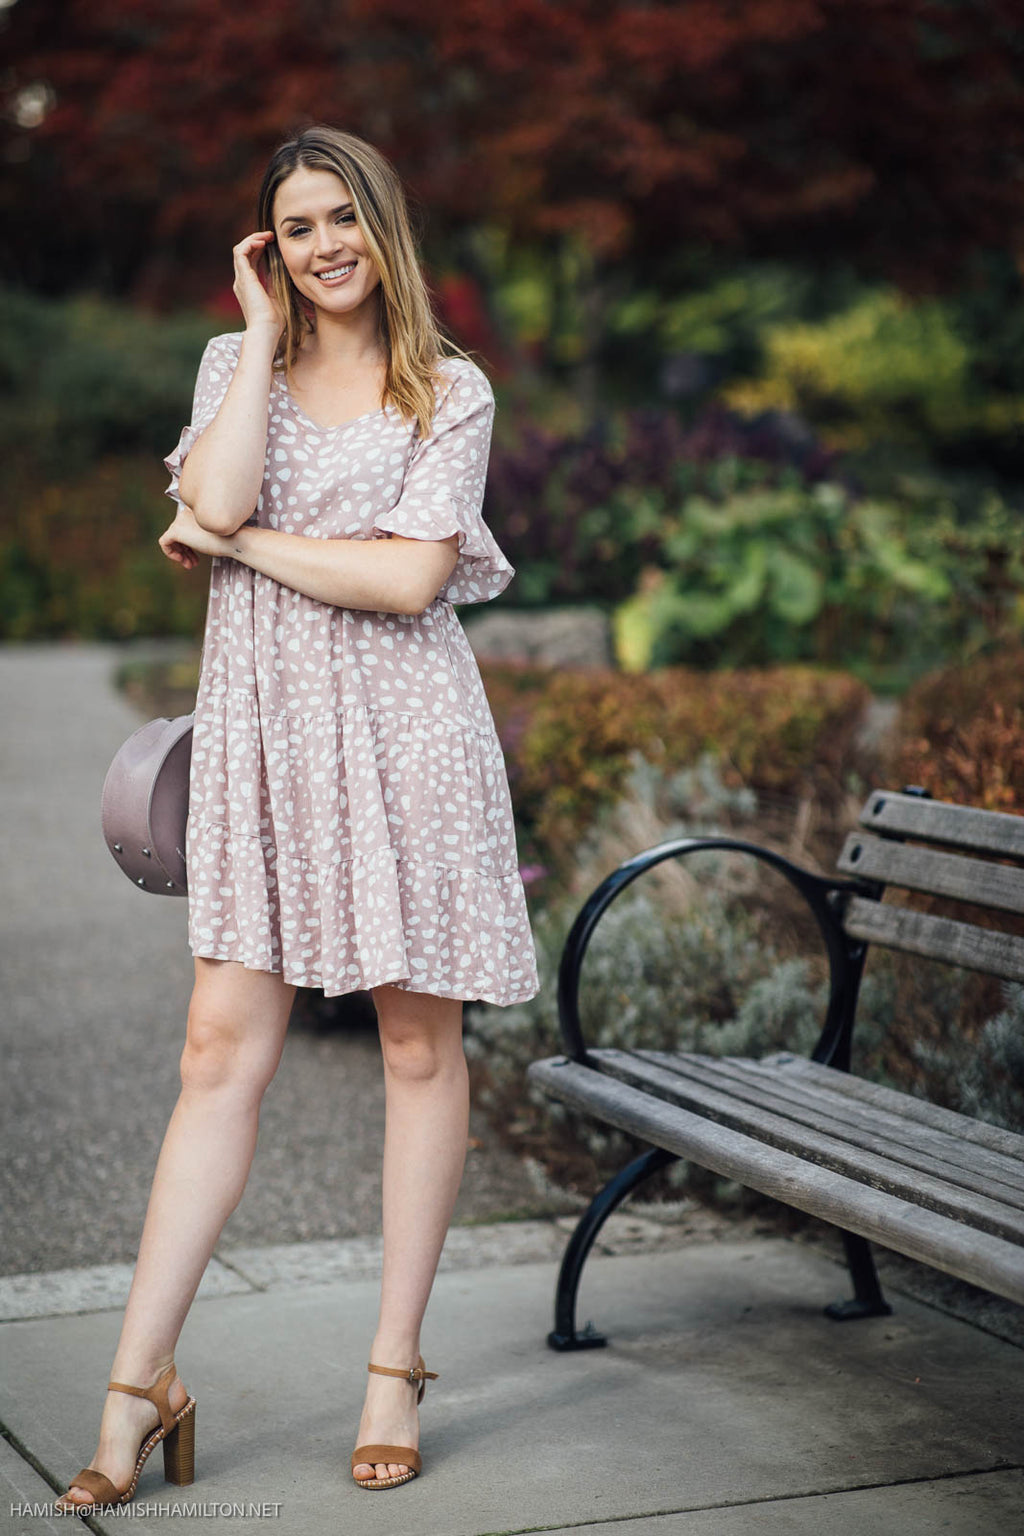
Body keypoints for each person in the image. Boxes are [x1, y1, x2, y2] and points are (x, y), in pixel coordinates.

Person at [56, 124, 540, 1512]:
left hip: (407, 742)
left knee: (411, 1039)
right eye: (299, 226)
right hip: (267, 740)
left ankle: (394, 1367)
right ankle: (137, 1386)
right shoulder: (234, 363)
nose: (326, 245)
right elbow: (204, 491)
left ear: (386, 227)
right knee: (218, 1047)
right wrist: (259, 339)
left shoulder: (449, 389)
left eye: (346, 219)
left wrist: (242, 545)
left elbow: (408, 584)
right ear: (272, 246)